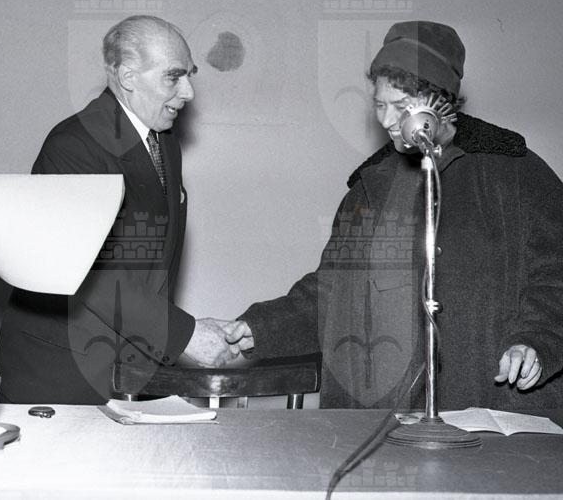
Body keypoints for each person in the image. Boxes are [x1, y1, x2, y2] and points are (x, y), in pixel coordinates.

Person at [223, 21, 563, 410]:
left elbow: (556, 277)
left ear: (440, 103)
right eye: (380, 105)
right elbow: (332, 293)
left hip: (496, 410)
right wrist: (260, 328)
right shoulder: (369, 189)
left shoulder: (517, 174)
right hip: (389, 415)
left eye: (400, 107)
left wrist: (537, 342)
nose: (386, 121)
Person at [0, 15, 234, 404]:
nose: (188, 92)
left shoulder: (163, 142)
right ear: (127, 77)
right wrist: (183, 334)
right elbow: (88, 271)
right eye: (173, 77)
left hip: (126, 374)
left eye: (189, 76)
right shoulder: (73, 145)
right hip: (58, 377)